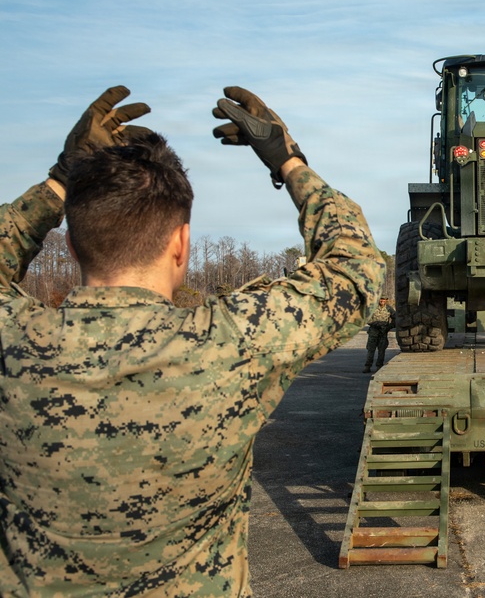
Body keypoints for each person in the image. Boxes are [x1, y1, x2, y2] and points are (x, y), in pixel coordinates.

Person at [0, 86, 384, 596]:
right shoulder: (230, 344)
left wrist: (57, 183)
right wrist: (289, 161)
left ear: (69, 244)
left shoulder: (14, 344)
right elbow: (353, 267)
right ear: (181, 244)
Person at [363, 295, 395, 373]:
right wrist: (375, 324)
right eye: (381, 299)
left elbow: (396, 318)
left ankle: (379, 366)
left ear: (386, 300)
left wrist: (389, 326)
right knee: (371, 351)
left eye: (384, 299)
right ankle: (368, 366)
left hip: (383, 333)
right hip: (373, 333)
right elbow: (366, 318)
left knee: (381, 351)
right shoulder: (372, 308)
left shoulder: (389, 309)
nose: (382, 301)